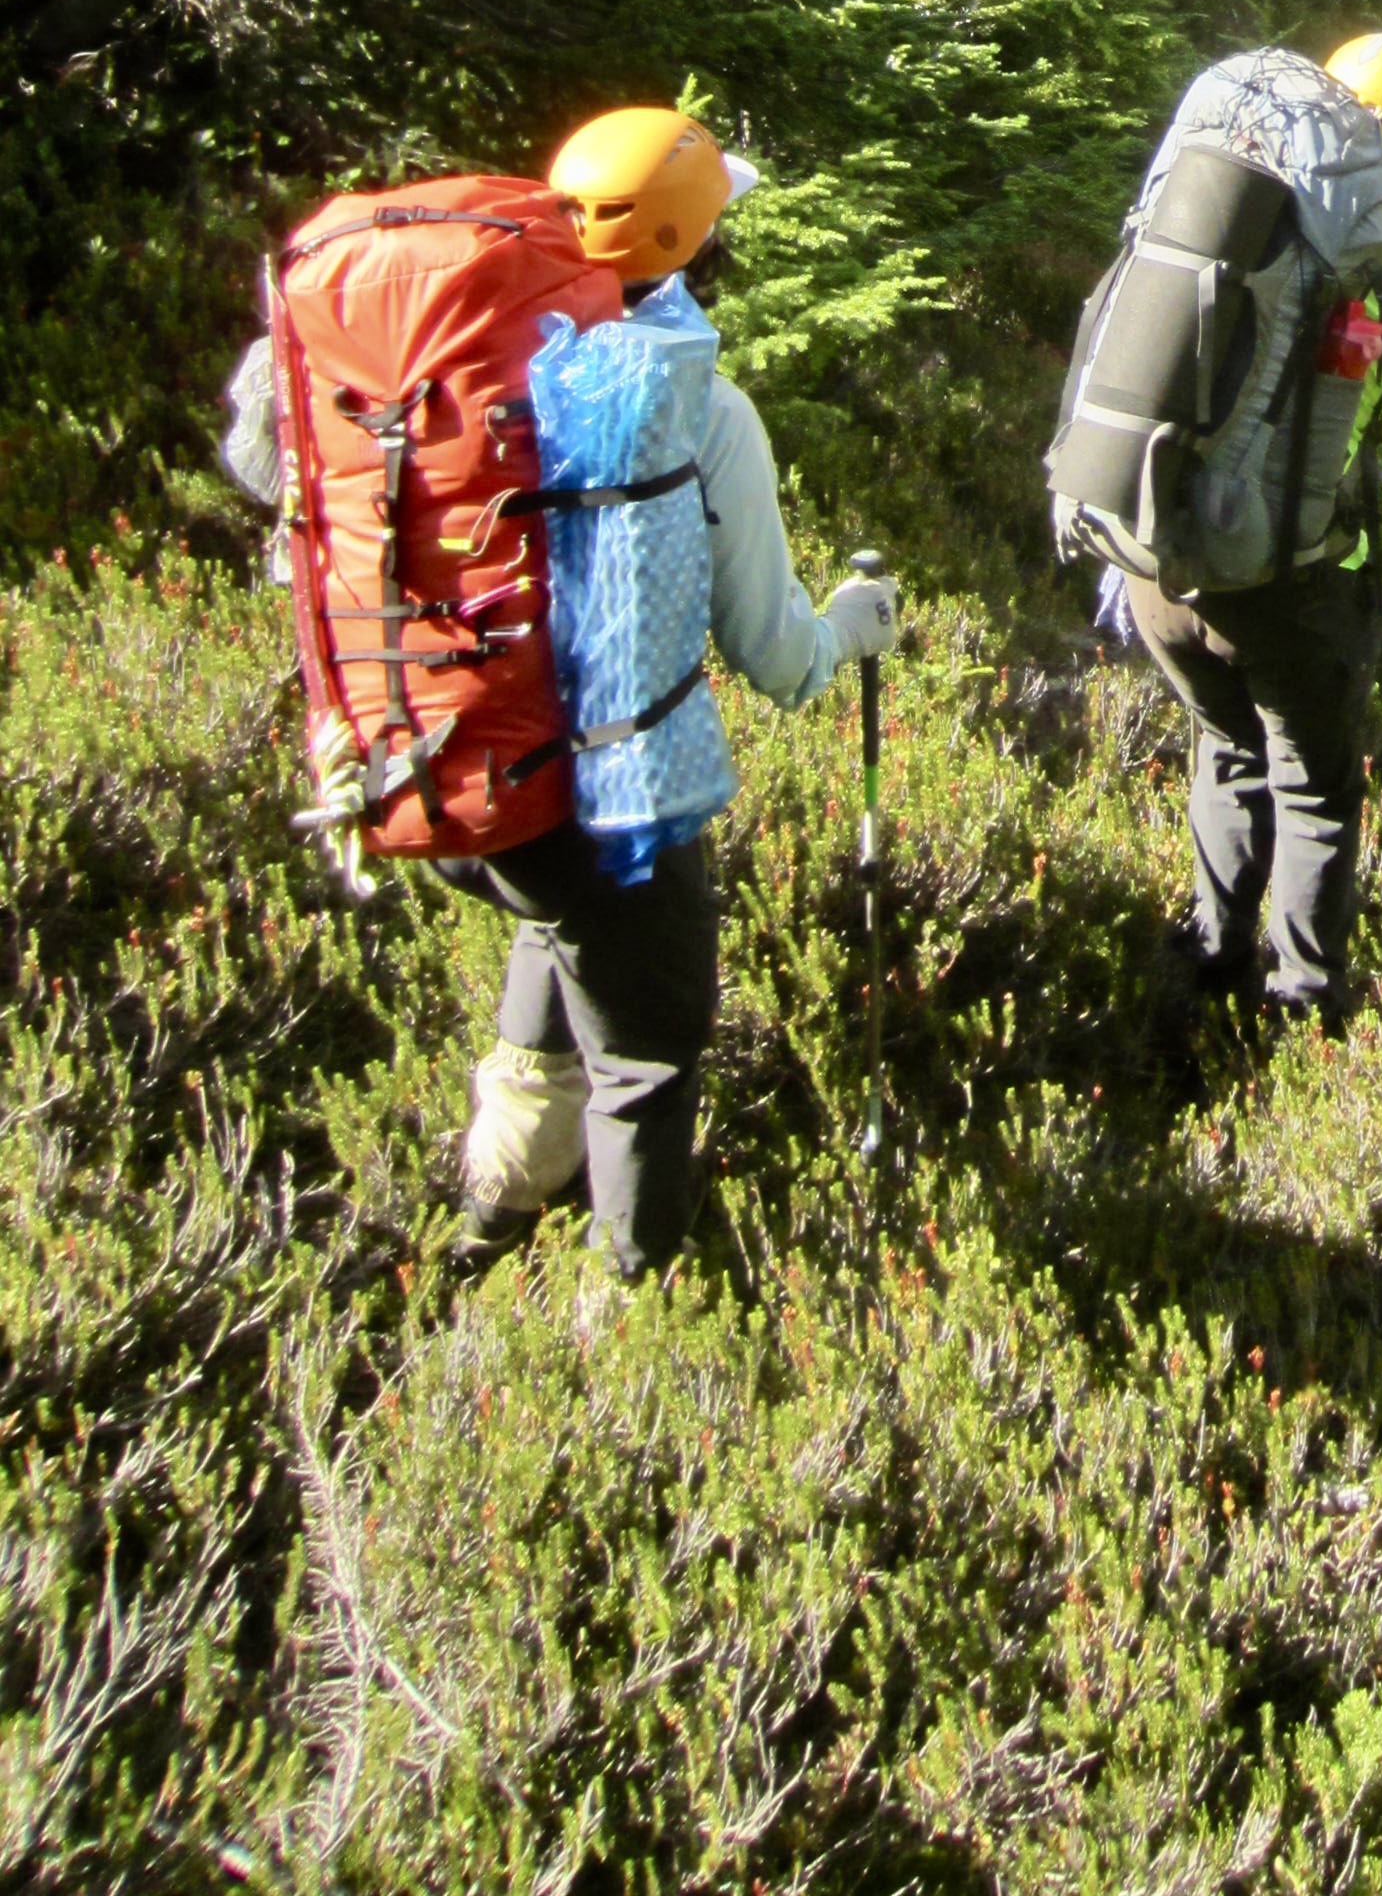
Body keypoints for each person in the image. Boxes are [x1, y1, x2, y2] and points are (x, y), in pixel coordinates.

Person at [220, 109, 901, 1277]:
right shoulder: (699, 407)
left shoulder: (437, 354)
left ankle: (492, 1213)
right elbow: (779, 658)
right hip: (597, 800)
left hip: (427, 751)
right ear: (692, 247)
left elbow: (260, 462)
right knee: (649, 1052)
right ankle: (632, 1308)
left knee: (559, 923)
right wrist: (853, 624)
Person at [1121, 31, 1382, 1036]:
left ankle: (1204, 988)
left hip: (1155, 565)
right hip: (1290, 590)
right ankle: (1303, 1021)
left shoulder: (1223, 220)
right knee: (1313, 795)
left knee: (1228, 754)